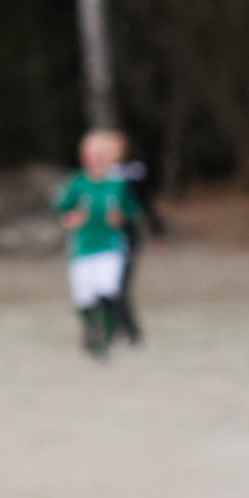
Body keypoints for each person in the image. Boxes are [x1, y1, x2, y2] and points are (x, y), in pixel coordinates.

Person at [54, 130, 131, 358]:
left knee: (106, 290)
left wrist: (120, 218)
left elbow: (129, 210)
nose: (95, 158)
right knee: (83, 298)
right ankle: (90, 331)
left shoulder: (118, 184)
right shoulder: (77, 183)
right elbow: (61, 209)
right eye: (90, 154)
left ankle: (106, 337)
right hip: (82, 248)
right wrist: (70, 219)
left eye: (100, 154)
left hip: (110, 247)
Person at [108, 132, 166, 347]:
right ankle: (112, 328)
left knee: (120, 286)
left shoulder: (135, 171)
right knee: (106, 286)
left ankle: (131, 332)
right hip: (102, 238)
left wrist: (157, 232)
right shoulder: (97, 174)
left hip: (126, 235)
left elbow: (146, 204)